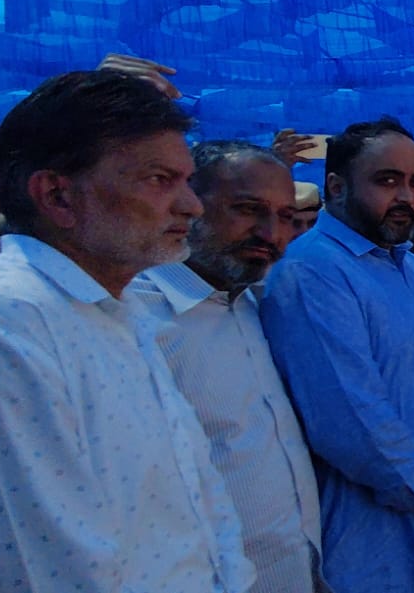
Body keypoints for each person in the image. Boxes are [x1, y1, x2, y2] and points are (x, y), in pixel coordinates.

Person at [0, 71, 253, 592]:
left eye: (187, 181)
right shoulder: (0, 320)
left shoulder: (122, 313)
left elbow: (203, 510)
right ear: (57, 196)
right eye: (159, 180)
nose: (191, 206)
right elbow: (49, 567)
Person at [260, 117, 414, 593]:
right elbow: (352, 421)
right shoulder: (312, 272)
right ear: (336, 186)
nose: (407, 197)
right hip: (377, 537)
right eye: (387, 181)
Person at [131, 140, 326, 593]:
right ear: (186, 204)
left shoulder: (251, 303)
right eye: (247, 209)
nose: (270, 233)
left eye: (284, 216)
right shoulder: (137, 318)